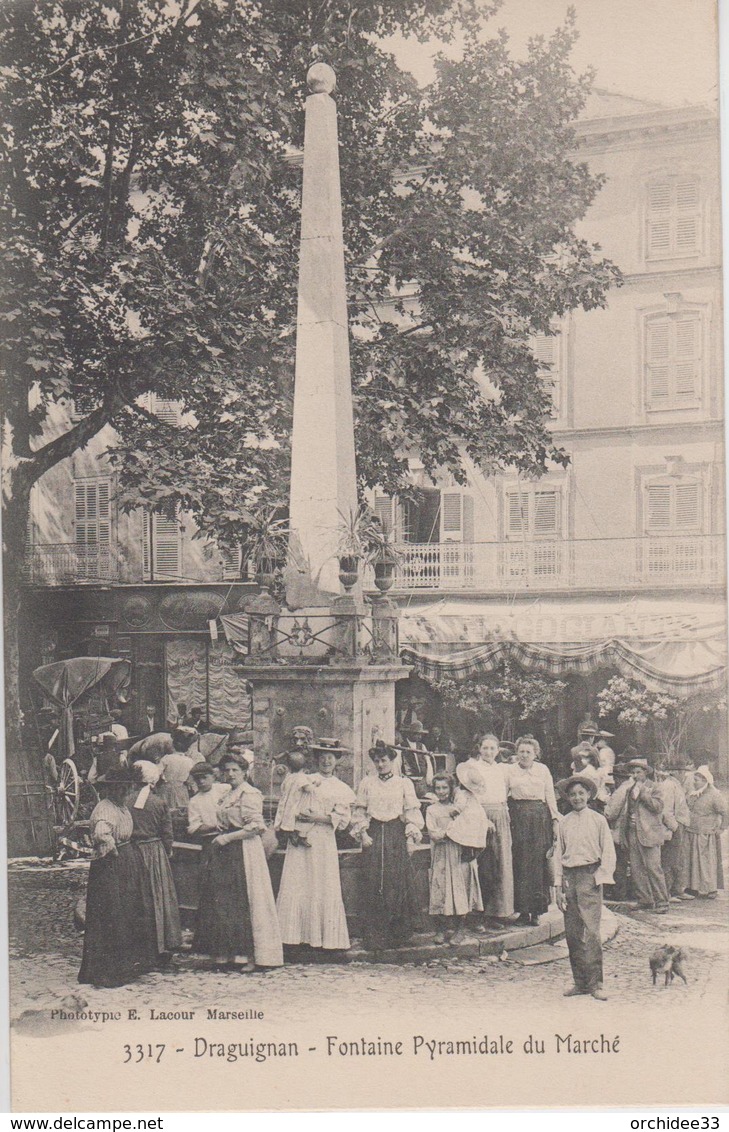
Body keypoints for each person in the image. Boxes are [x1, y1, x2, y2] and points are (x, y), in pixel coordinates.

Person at [193, 750, 283, 970]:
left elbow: (256, 826)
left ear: (244, 772)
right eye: (226, 771)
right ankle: (230, 952)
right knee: (227, 902)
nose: (230, 774)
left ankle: (251, 955)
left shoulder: (249, 794)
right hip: (226, 852)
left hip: (244, 849)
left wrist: (227, 837)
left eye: (235, 770)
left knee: (246, 899)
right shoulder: (227, 795)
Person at [78, 766, 157, 987]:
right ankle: (106, 970)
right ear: (109, 789)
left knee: (129, 911)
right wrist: (116, 854)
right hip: (112, 865)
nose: (124, 791)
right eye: (119, 788)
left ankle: (127, 965)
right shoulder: (105, 808)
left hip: (126, 861)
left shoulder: (121, 807)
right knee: (112, 913)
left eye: (127, 787)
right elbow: (102, 835)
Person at [275, 738, 355, 951]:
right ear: (316, 759)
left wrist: (318, 817)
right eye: (322, 757)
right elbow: (288, 802)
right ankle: (293, 938)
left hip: (323, 840)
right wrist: (291, 826)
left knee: (322, 883)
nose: (326, 761)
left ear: (336, 760)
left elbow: (343, 819)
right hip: (301, 838)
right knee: (299, 881)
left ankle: (324, 940)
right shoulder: (303, 780)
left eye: (330, 757)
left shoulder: (342, 788)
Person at [351, 740, 424, 950]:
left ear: (392, 760)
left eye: (384, 760)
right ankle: (375, 934)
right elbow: (360, 811)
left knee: (396, 880)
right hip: (374, 833)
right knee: (374, 880)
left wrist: (410, 838)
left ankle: (398, 933)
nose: (380, 765)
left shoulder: (403, 784)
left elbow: (411, 812)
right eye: (377, 761)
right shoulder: (367, 783)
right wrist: (363, 834)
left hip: (395, 834)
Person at [555, 774, 616, 1001]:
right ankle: (580, 982)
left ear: (589, 795)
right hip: (570, 877)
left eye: (581, 793)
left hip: (590, 876)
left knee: (591, 932)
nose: (577, 797)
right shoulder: (564, 822)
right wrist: (559, 883)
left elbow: (608, 850)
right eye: (573, 794)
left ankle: (596, 983)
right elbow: (559, 854)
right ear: (568, 798)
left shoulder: (598, 820)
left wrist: (600, 876)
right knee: (572, 933)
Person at [456, 733, 514, 923]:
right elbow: (472, 795)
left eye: (492, 748)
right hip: (480, 815)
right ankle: (477, 914)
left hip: (500, 815)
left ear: (498, 751)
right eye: (485, 748)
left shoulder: (503, 770)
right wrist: (483, 819)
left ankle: (497, 912)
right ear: (479, 749)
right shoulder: (473, 768)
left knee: (501, 863)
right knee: (483, 865)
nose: (489, 752)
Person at [130, 761, 182, 964]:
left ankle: (138, 946)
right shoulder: (159, 803)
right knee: (158, 896)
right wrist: (168, 850)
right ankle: (161, 944)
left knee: (137, 897)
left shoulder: (125, 801)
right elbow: (167, 833)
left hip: (133, 851)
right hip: (154, 852)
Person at [506, 735, 560, 926]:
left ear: (535, 754)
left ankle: (536, 911)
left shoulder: (543, 770)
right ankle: (522, 911)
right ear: (517, 752)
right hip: (517, 818)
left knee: (538, 863)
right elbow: (504, 796)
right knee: (520, 862)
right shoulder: (509, 770)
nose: (525, 755)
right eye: (521, 751)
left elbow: (550, 796)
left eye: (529, 752)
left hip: (539, 818)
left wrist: (554, 820)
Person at [426, 773, 485, 945]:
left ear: (451, 789)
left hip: (460, 852)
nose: (441, 791)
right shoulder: (432, 809)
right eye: (438, 788)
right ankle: (441, 929)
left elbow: (473, 825)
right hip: (441, 853)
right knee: (440, 887)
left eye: (445, 788)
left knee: (461, 888)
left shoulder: (461, 807)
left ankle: (460, 930)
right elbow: (433, 833)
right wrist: (449, 833)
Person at [605, 758, 669, 913]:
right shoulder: (628, 788)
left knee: (654, 868)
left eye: (638, 772)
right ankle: (645, 900)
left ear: (645, 772)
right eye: (633, 772)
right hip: (632, 832)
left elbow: (658, 807)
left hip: (650, 832)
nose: (635, 775)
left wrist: (643, 794)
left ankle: (662, 902)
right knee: (636, 868)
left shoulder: (655, 787)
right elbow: (621, 810)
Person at [685, 765, 728, 899]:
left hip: (706, 834)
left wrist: (721, 828)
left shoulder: (714, 794)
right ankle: (694, 887)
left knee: (706, 862)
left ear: (705, 780)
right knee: (692, 861)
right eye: (694, 780)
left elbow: (725, 813)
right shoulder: (695, 794)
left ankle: (710, 889)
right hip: (692, 832)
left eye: (697, 780)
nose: (694, 783)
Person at [273, 726, 320, 848]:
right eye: (296, 739)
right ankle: (297, 835)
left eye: (302, 739)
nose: (299, 743)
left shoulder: (313, 756)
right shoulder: (297, 776)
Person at [656, 764, 692, 901]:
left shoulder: (677, 785)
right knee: (669, 859)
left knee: (678, 859)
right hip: (674, 826)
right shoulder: (668, 785)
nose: (684, 775)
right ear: (676, 772)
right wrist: (674, 827)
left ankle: (677, 889)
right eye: (683, 771)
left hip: (680, 824)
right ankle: (667, 892)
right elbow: (666, 810)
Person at [157, 727, 198, 811]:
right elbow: (191, 781)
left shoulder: (166, 758)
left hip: (166, 790)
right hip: (181, 791)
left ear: (173, 745)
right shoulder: (190, 761)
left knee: (165, 811)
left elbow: (156, 773)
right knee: (181, 812)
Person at [187, 761, 230, 835]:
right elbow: (194, 827)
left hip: (232, 833)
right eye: (197, 778)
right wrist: (213, 826)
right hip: (212, 836)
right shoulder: (195, 801)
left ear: (213, 777)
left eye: (204, 777)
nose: (201, 781)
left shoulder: (226, 789)